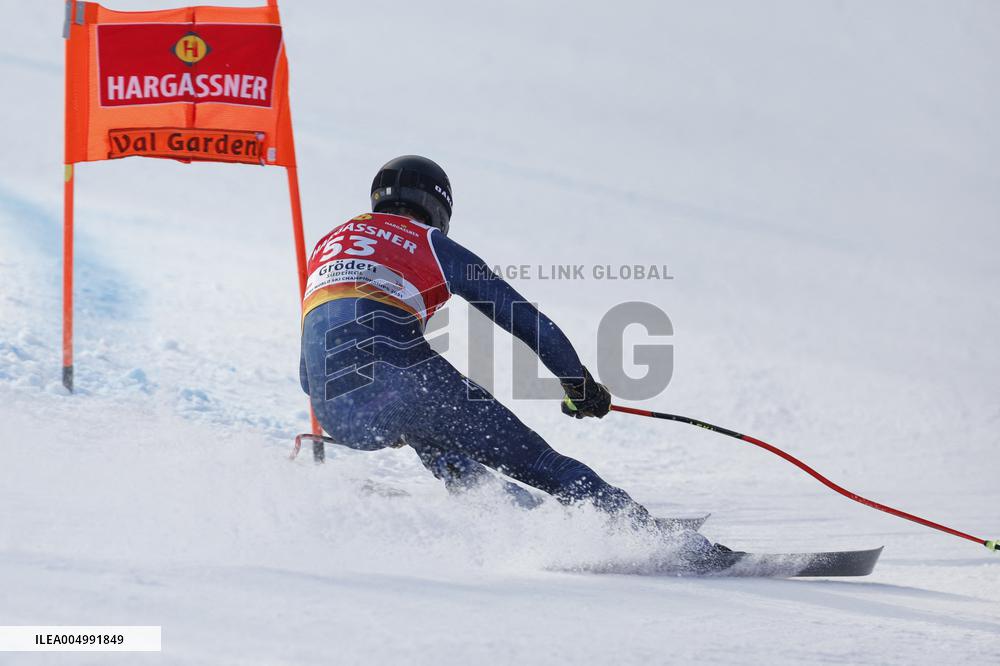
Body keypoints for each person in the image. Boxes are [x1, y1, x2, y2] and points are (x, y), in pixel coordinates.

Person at [299, 155, 725, 563]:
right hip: (402, 377)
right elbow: (525, 320)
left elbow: (308, 367)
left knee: (433, 435)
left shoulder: (328, 244)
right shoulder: (431, 243)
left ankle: (519, 524)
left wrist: (359, 406)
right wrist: (579, 386)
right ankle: (651, 540)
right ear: (438, 208)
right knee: (540, 462)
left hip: (335, 409)